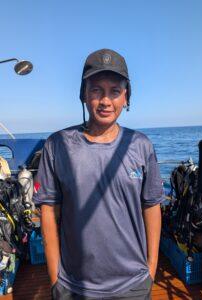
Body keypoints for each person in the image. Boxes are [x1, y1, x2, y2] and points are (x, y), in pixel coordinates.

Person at [33, 49, 165, 300]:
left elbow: (152, 205)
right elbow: (48, 210)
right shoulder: (57, 145)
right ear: (83, 95)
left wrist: (151, 270)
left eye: (114, 91)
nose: (106, 101)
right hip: (74, 286)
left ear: (126, 97)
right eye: (96, 90)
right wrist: (55, 279)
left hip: (134, 284)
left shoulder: (141, 145)